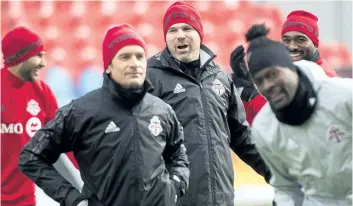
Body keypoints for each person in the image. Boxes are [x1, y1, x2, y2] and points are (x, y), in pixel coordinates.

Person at [18, 24, 190, 206]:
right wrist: (72, 199)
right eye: (125, 57)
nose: (134, 63)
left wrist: (175, 187)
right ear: (108, 66)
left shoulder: (162, 110)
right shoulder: (80, 112)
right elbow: (31, 157)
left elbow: (178, 155)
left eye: (139, 56)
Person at [147, 2, 270, 206]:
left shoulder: (220, 78)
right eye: (172, 30)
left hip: (220, 199)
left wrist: (276, 173)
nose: (180, 35)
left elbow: (241, 135)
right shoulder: (150, 78)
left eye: (187, 28)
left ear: (199, 33)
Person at [247, 36, 352, 205]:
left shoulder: (344, 96)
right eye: (259, 81)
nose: (267, 85)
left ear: (291, 68)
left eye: (273, 74)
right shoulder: (264, 127)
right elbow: (286, 188)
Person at [1, 26, 82, 206]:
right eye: (38, 55)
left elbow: (66, 143)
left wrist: (96, 173)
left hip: (26, 200)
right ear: (20, 57)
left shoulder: (42, 93)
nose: (43, 63)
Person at [230, 14, 337, 125]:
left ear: (315, 43)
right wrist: (245, 88)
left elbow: (287, 118)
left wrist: (252, 95)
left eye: (301, 40)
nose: (292, 46)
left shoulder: (323, 76)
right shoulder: (289, 72)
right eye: (286, 40)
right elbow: (256, 124)